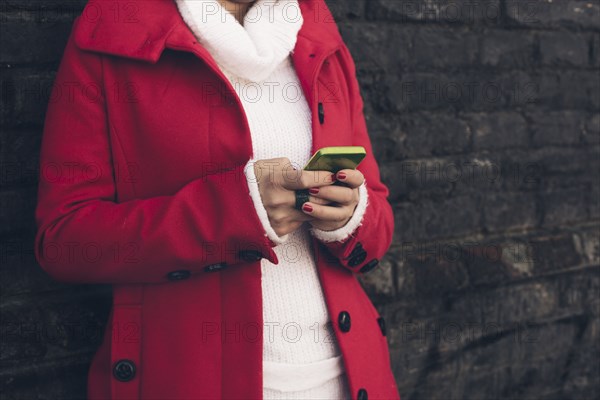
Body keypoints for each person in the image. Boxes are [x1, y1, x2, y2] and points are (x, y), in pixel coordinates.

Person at [34, 0, 401, 399]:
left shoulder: (315, 26)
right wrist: (234, 214)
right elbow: (64, 240)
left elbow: (378, 219)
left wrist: (347, 216)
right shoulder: (116, 27)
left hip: (348, 378)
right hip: (192, 380)